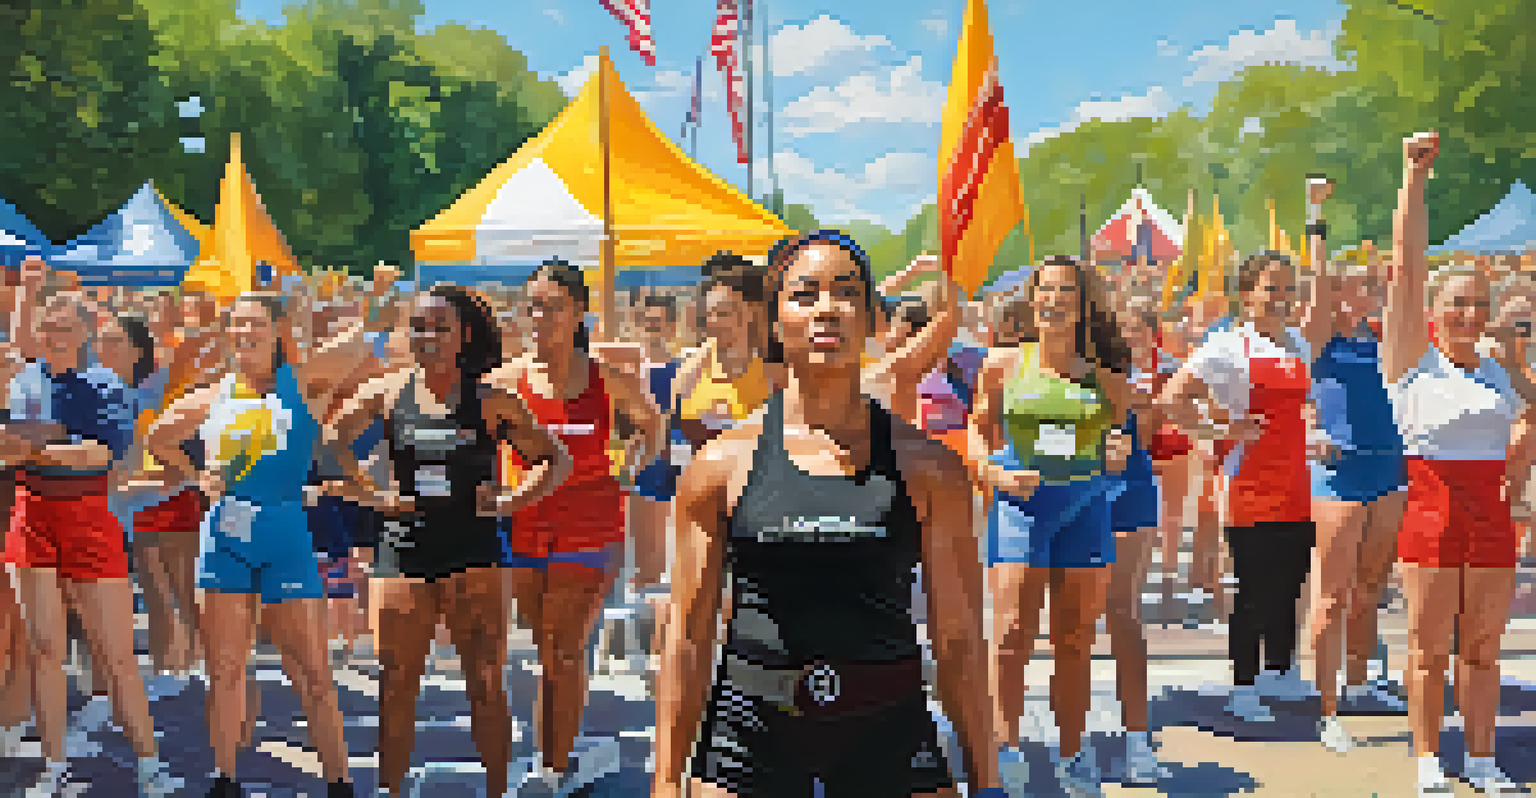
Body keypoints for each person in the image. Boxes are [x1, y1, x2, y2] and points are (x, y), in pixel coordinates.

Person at [655, 229, 997, 797]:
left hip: (887, 728)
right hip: (752, 731)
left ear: (871, 319)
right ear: (774, 320)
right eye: (805, 294)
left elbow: (959, 638)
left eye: (846, 293)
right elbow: (688, 638)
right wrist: (666, 782)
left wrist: (987, 782)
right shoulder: (719, 465)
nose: (827, 308)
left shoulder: (928, 467)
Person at [326, 285, 570, 797]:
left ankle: (498, 791)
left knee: (485, 682)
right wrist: (374, 495)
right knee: (396, 684)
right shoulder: (387, 392)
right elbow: (330, 443)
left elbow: (555, 460)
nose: (428, 336)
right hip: (403, 550)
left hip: (474, 554)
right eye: (418, 326)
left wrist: (510, 502)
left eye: (440, 327)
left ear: (464, 334)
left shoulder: (491, 400)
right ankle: (389, 791)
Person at [146, 293, 357, 797]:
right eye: (236, 325)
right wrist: (198, 474)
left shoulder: (301, 384)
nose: (244, 333)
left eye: (255, 323)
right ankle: (225, 780)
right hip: (225, 541)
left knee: (313, 672)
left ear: (277, 329)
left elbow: (355, 347)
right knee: (224, 669)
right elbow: (157, 437)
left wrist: (326, 317)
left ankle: (340, 783)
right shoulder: (212, 396)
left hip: (287, 541)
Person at [1382, 132, 1532, 796]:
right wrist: (1414, 180)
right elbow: (1408, 267)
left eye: (1479, 305)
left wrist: (1517, 362)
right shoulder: (1410, 362)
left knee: (1484, 649)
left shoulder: (1500, 370)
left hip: (1492, 520)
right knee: (1429, 650)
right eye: (1458, 304)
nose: (1470, 314)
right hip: (1431, 514)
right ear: (1434, 312)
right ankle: (1426, 757)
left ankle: (1481, 757)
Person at [1, 291, 181, 796]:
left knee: (116, 656)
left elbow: (99, 457)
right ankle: (53, 764)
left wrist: (33, 444)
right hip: (32, 515)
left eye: (63, 328)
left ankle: (149, 764)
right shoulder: (25, 379)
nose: (53, 337)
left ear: (85, 331)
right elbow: (11, 446)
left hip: (88, 520)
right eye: (47, 327)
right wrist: (53, 442)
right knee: (44, 650)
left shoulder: (108, 385)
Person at [495, 259, 663, 793]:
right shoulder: (505, 382)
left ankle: (550, 769)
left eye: (553, 306)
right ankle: (557, 752)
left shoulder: (607, 380)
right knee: (546, 651)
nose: (540, 317)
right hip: (524, 528)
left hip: (592, 527)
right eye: (533, 306)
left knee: (564, 647)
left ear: (577, 313)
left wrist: (631, 469)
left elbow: (652, 423)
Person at [969, 255, 1133, 796]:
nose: (1054, 299)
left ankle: (1072, 753)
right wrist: (994, 471)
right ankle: (1005, 750)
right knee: (1011, 634)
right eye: (1046, 289)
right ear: (1032, 299)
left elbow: (1123, 444)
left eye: (1066, 291)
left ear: (1082, 307)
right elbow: (976, 429)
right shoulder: (1002, 365)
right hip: (1021, 507)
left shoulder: (1107, 380)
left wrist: (1118, 454)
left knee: (1076, 638)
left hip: (1084, 510)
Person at [1159, 248, 1317, 724]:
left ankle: (1280, 670)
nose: (1281, 297)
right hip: (1246, 479)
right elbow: (1172, 399)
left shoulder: (1298, 344)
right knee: (1252, 585)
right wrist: (1219, 431)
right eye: (1271, 288)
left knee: (1290, 581)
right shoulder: (1226, 346)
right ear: (1247, 295)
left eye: (1288, 288)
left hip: (1296, 479)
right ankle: (1243, 686)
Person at [1296, 178, 1412, 754]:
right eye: (1356, 286)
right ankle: (1326, 712)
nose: (1364, 293)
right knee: (1332, 596)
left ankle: (1360, 683)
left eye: (1367, 286)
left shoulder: (1384, 338)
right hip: (1339, 473)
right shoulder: (1319, 337)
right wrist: (1316, 217)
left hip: (1389, 471)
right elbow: (1317, 286)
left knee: (1370, 589)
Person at [1103, 297, 1171, 783]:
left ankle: (1136, 736)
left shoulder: (1142, 387)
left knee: (1123, 611)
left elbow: (1141, 440)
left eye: (1136, 330)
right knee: (1070, 621)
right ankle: (1070, 740)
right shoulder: (1065, 370)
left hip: (1129, 492)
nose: (1128, 338)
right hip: (1071, 492)